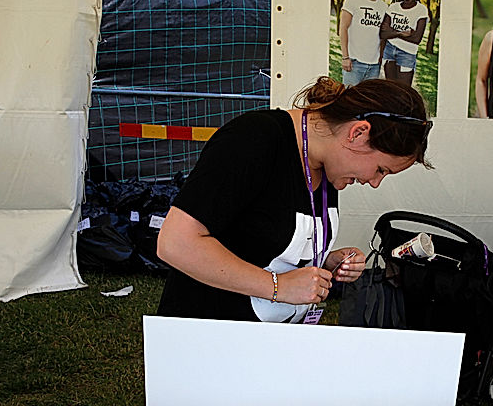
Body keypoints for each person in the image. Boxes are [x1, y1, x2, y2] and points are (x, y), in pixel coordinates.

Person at [157, 76, 432, 323]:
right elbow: (176, 243)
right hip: (208, 338)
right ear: (358, 133)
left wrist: (322, 261)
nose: (374, 182)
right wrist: (278, 286)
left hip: (270, 345)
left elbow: (257, 240)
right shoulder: (254, 140)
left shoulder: (328, 164)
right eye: (381, 169)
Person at [337, 0, 388, 85]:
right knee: (350, 101)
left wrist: (380, 59)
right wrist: (345, 57)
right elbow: (343, 28)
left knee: (369, 103)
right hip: (354, 63)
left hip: (374, 66)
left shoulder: (384, 7)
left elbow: (382, 35)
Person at [379, 0, 429, 87]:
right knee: (391, 88)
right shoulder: (393, 7)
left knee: (404, 91)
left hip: (407, 53)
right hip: (389, 50)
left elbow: (417, 39)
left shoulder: (421, 10)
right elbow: (383, 33)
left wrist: (392, 31)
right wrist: (401, 33)